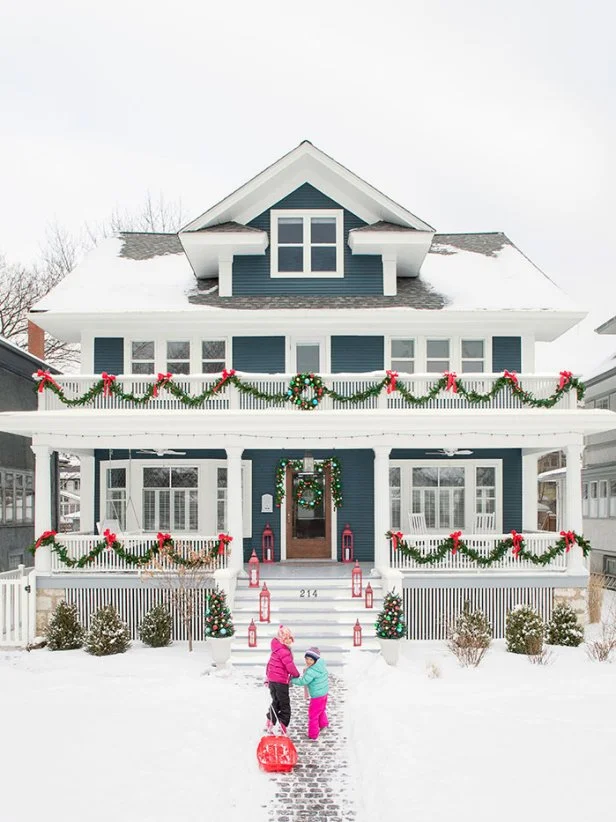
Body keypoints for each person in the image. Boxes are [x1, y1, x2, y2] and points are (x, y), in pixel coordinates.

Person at [265, 625, 300, 733]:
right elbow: (289, 666)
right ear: (281, 639)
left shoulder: (275, 649)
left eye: (290, 638)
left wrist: (268, 678)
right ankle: (283, 724)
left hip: (272, 682)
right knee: (284, 704)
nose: (289, 640)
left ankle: (270, 721)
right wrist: (296, 674)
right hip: (281, 682)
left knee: (275, 701)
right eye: (286, 638)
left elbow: (269, 665)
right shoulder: (284, 651)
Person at [290, 646, 329, 740]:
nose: (308, 661)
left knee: (313, 715)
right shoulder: (321, 665)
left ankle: (313, 734)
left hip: (317, 696)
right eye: (307, 658)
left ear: (315, 660)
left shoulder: (312, 671)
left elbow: (303, 681)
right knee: (321, 710)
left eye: (311, 659)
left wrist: (292, 680)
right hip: (324, 693)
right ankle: (324, 724)